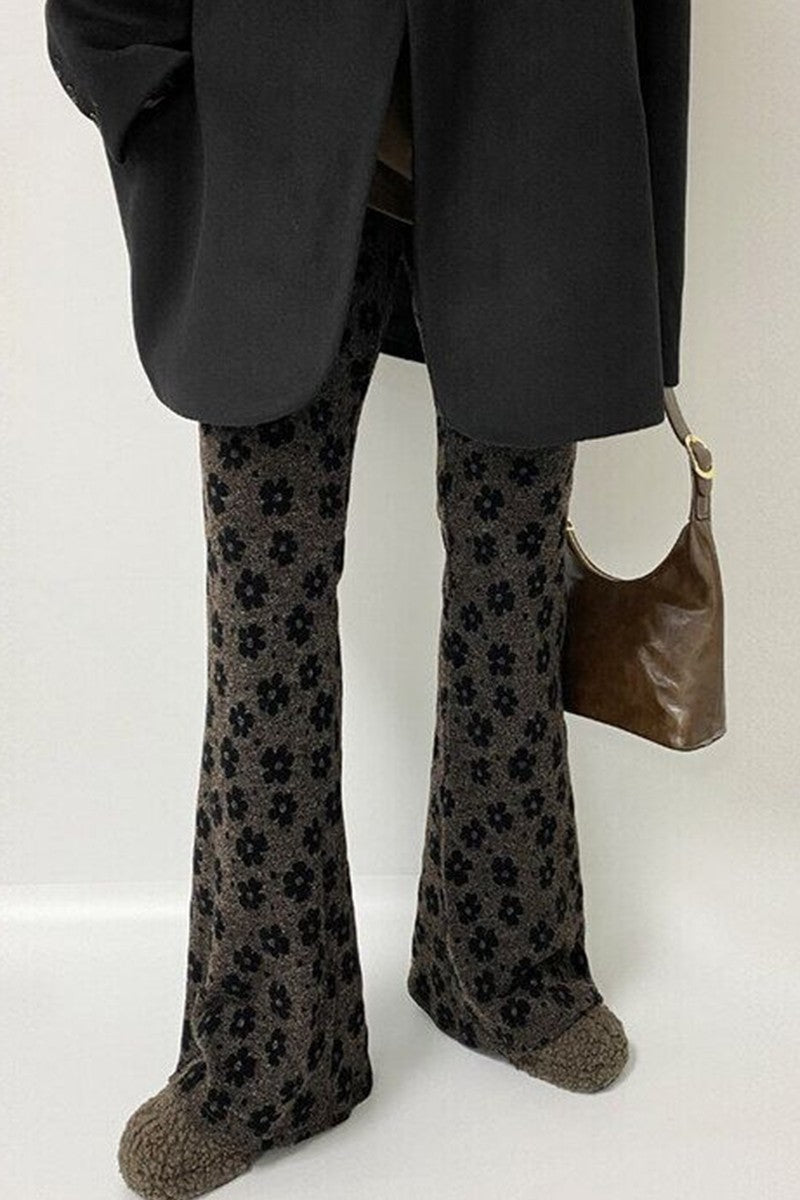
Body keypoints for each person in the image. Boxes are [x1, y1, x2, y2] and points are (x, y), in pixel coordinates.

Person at [43, 4, 691, 1198]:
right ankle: (263, 1054)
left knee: (510, 600)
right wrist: (141, 90)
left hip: (536, 139)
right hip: (264, 150)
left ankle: (505, 970)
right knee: (265, 627)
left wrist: (639, 235)